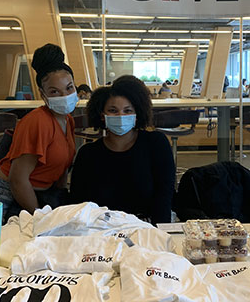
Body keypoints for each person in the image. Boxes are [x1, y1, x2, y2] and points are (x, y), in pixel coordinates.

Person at [0, 44, 78, 223]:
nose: (64, 95)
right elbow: (17, 180)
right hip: (2, 196)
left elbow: (61, 168)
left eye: (69, 88)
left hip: (36, 194)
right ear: (43, 95)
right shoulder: (38, 121)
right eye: (54, 91)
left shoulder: (68, 120)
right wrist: (40, 218)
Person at [70, 75, 175, 224]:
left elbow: (164, 196)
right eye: (113, 110)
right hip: (102, 232)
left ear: (137, 114)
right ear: (102, 115)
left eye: (127, 111)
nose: (120, 116)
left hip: (146, 229)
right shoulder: (88, 154)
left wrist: (160, 236)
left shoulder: (156, 144)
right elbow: (79, 205)